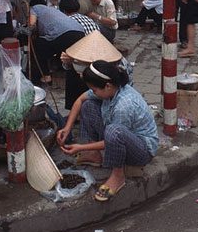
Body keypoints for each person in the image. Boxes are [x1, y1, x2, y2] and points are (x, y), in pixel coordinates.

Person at [56, 61, 158, 202]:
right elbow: (80, 100)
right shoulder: (111, 88)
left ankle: (118, 175)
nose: (93, 92)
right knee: (88, 106)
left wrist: (80, 147)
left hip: (142, 150)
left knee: (113, 131)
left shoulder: (124, 105)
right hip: (120, 136)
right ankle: (94, 155)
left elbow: (111, 139)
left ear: (108, 86)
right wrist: (67, 128)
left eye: (95, 90)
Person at [59, 31, 133, 110]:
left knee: (89, 104)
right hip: (101, 85)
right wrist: (70, 62)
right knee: (72, 74)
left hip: (112, 91)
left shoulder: (115, 65)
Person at [28, 1, 85, 84]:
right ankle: (67, 71)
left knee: (38, 45)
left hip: (63, 33)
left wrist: (25, 30)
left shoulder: (35, 8)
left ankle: (45, 76)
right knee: (68, 54)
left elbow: (31, 25)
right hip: (80, 31)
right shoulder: (53, 10)